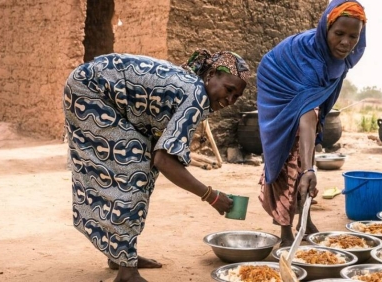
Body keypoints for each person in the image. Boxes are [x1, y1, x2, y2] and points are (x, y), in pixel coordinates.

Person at [63, 50, 249, 282]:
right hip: (91, 91)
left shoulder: (197, 91)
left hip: (97, 90)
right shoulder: (196, 95)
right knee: (132, 175)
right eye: (229, 90)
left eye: (236, 96)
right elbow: (164, 160)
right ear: (211, 75)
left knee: (144, 170)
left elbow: (158, 154)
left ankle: (121, 254)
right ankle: (126, 271)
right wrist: (211, 196)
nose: (230, 100)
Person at [256, 0, 367, 247]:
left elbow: (314, 113)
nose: (346, 42)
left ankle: (305, 219)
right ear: (325, 29)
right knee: (289, 157)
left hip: (306, 100)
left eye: (353, 36)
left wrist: (310, 168)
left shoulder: (338, 58)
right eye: (338, 34)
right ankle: (286, 230)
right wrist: (308, 170)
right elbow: (306, 116)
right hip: (278, 83)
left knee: (306, 156)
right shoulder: (310, 58)